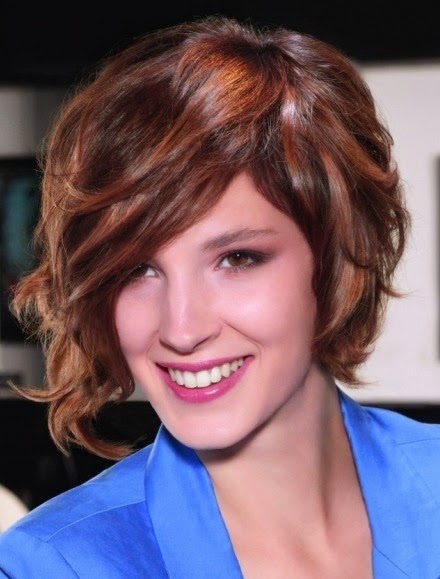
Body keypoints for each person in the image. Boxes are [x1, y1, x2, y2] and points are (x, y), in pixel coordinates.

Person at [0, 14, 438, 578]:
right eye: (137, 270)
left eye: (237, 259)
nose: (181, 329)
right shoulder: (55, 564)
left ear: (336, 258)